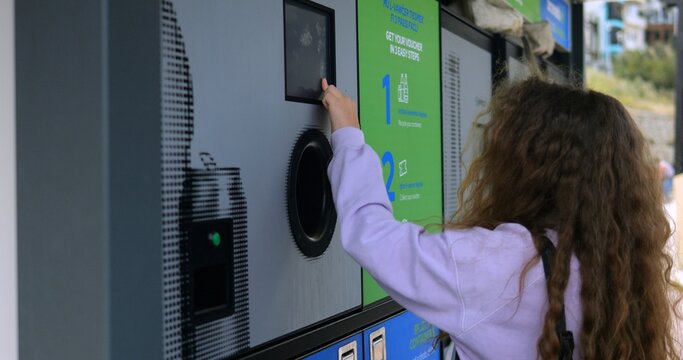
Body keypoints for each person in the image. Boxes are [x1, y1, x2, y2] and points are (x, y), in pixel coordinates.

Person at [320, 78, 682, 359]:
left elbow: (375, 239)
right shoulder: (622, 266)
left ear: (528, 166)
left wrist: (349, 137)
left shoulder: (502, 262)